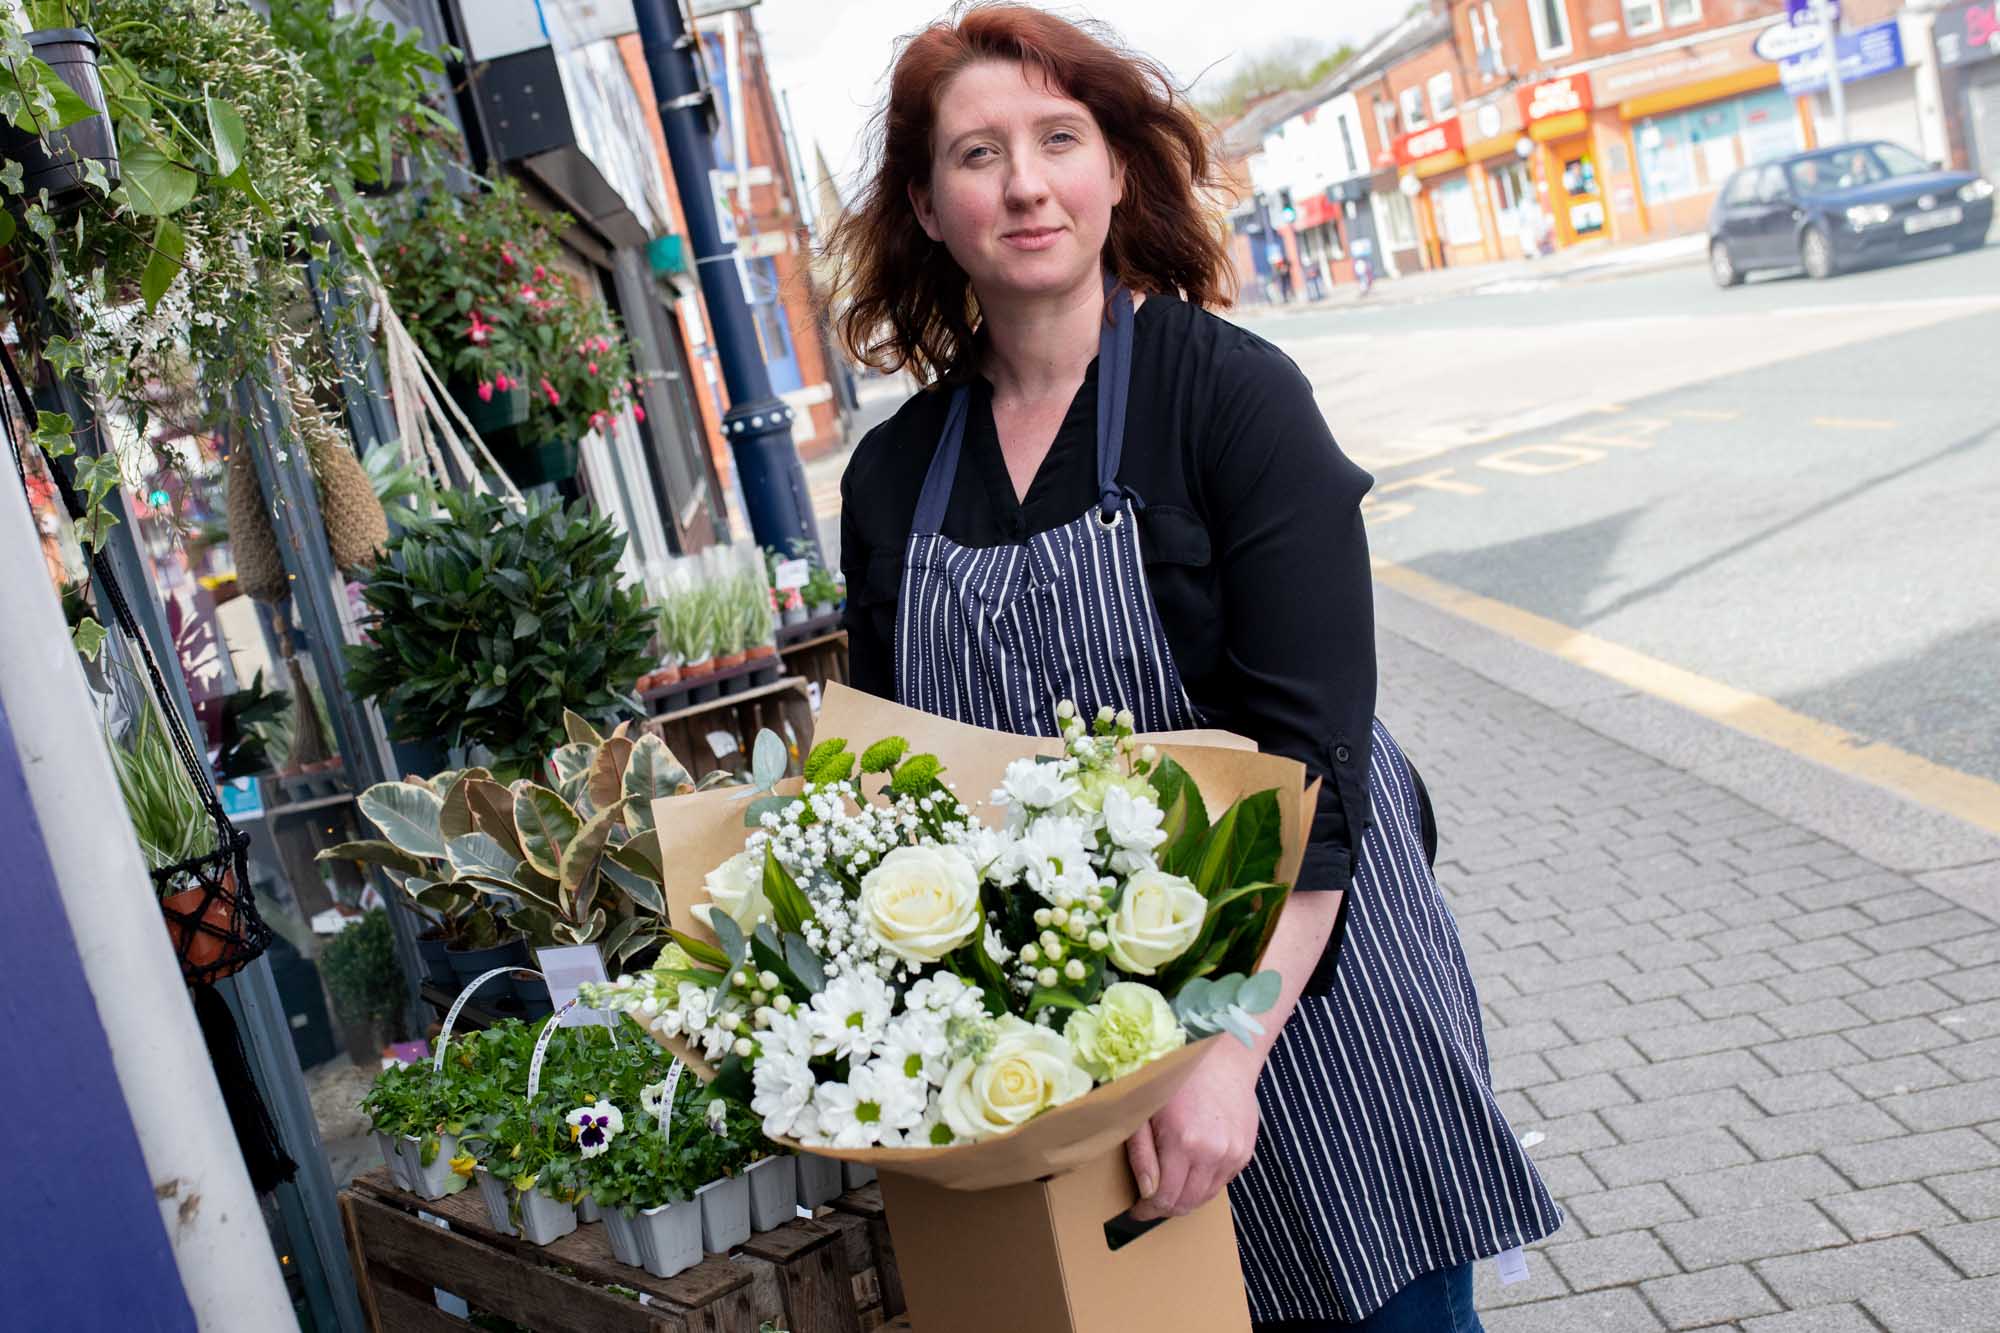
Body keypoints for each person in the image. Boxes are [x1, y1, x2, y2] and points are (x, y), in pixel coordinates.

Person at [828, 6, 1561, 1329]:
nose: (1026, 181)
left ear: (1116, 170)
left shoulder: (1232, 399)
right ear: (930, 209)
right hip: (1069, 1044)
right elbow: (896, 796)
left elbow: (1315, 769)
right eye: (977, 154)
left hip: (1309, 989)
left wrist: (1229, 1047)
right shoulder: (895, 476)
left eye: (1060, 137)